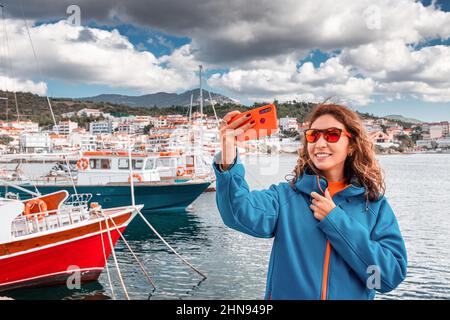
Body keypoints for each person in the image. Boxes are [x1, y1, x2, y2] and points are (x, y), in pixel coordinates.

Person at [213, 103, 407, 300]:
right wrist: (228, 152)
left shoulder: (374, 207)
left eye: (331, 135)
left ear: (352, 145)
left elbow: (386, 279)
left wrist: (335, 220)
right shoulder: (285, 198)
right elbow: (236, 212)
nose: (320, 143)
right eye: (313, 135)